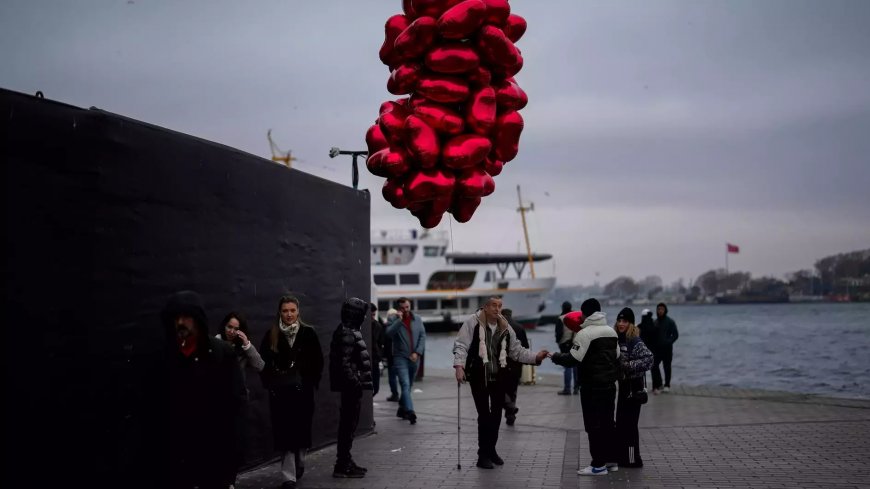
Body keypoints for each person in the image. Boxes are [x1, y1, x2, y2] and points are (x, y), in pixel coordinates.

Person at [453, 296, 549, 469]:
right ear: (485, 307)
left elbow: (516, 350)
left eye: (500, 306)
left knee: (496, 415)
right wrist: (459, 366)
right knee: (484, 416)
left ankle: (491, 450)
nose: (497, 309)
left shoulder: (505, 326)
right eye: (493, 306)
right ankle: (482, 455)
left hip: (499, 375)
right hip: (478, 375)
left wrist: (535, 357)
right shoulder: (472, 323)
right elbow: (461, 345)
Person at [161, 290, 245, 489]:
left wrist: (231, 464)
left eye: (187, 317)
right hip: (178, 457)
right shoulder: (163, 357)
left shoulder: (221, 353)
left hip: (213, 454)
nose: (181, 322)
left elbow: (236, 405)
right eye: (176, 317)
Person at [259, 295, 324, 489]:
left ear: (298, 312)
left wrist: (309, 383)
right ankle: (289, 476)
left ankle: (300, 462)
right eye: (285, 310)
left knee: (302, 432)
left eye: (292, 310)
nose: (289, 314)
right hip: (280, 394)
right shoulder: (272, 334)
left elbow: (318, 362)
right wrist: (271, 386)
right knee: (284, 433)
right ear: (280, 312)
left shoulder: (308, 333)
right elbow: (264, 364)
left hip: (303, 392)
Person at [551, 298, 619, 476]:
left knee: (593, 425)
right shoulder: (611, 331)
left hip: (591, 387)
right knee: (608, 423)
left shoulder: (585, 333)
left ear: (585, 314)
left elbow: (572, 359)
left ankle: (598, 465)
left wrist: (554, 356)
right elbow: (617, 356)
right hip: (610, 386)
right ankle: (611, 461)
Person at [216, 311, 265, 489]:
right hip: (217, 402)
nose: (231, 331)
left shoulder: (241, 349)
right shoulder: (214, 344)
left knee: (235, 445)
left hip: (238, 403)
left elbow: (260, 366)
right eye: (229, 327)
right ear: (224, 326)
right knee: (218, 443)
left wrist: (246, 344)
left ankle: (230, 481)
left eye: (236, 329)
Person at [329, 297, 373, 478]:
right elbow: (344, 363)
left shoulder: (348, 330)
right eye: (362, 313)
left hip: (350, 387)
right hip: (350, 389)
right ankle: (342, 464)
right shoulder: (348, 332)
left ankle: (345, 461)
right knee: (347, 426)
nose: (364, 317)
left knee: (348, 426)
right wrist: (355, 383)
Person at [613, 307, 653, 468]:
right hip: (623, 388)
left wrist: (629, 366)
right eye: (619, 320)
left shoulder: (635, 341)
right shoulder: (617, 339)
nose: (621, 324)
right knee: (621, 424)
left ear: (631, 323)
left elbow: (649, 359)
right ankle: (621, 457)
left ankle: (632, 459)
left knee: (630, 426)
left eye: (625, 321)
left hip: (634, 388)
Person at [385, 297, 426, 424]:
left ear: (410, 306)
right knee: (405, 384)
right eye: (403, 308)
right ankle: (410, 411)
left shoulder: (417, 319)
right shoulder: (393, 319)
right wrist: (399, 320)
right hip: (400, 357)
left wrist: (417, 352)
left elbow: (422, 336)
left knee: (409, 386)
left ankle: (401, 409)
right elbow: (388, 334)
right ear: (399, 309)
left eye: (407, 307)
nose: (406, 310)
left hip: (415, 358)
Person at [501, 308, 529, 427]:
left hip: (502, 364)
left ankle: (510, 408)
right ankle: (510, 415)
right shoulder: (520, 327)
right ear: (511, 314)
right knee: (512, 391)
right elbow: (526, 347)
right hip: (516, 364)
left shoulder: (498, 327)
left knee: (500, 389)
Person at [651, 302, 679, 394]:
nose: (660, 311)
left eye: (662, 309)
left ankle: (667, 385)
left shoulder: (670, 321)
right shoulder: (655, 322)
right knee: (654, 366)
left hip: (667, 349)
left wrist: (669, 342)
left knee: (667, 367)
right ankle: (659, 384)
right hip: (657, 349)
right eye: (658, 309)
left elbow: (675, 335)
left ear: (665, 310)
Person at [556, 300, 579, 395]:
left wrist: (558, 342)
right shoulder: (576, 317)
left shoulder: (561, 318)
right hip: (576, 344)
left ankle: (567, 388)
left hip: (565, 345)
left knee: (567, 367)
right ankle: (576, 388)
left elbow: (559, 333)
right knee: (576, 366)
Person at [369, 302, 386, 397]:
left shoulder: (378, 326)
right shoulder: (361, 326)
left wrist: (379, 354)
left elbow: (381, 343)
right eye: (371, 314)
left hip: (374, 359)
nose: (373, 317)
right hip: (365, 360)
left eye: (374, 314)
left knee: (376, 388)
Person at [384, 307, 400, 402]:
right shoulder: (400, 325)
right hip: (400, 354)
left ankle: (395, 394)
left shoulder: (388, 327)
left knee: (392, 376)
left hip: (391, 355)